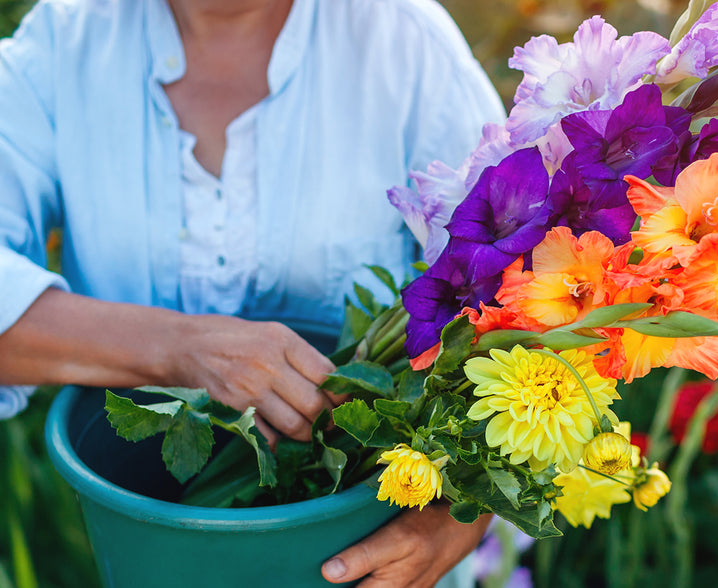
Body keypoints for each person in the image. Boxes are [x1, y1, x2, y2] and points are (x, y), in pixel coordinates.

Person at [0, 0, 505, 585]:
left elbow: (523, 296)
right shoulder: (63, 44)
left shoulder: (407, 47)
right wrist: (181, 347)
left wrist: (458, 518)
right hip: (152, 553)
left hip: (369, 551)